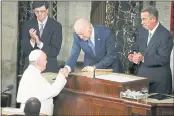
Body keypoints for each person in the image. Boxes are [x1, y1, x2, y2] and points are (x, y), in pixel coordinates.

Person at [128, 6, 173, 94]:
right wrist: (132, 55)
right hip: (142, 80)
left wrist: (142, 58)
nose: (142, 22)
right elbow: (136, 49)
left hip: (159, 82)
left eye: (144, 19)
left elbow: (164, 58)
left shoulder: (166, 35)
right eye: (141, 19)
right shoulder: (141, 31)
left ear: (153, 19)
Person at [17, 49, 68, 116]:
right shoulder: (33, 75)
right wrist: (61, 76)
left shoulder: (32, 72)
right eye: (45, 60)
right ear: (38, 62)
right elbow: (52, 91)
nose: (46, 62)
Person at [21, 1, 62, 73]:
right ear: (34, 11)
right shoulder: (27, 25)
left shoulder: (56, 26)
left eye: (42, 11)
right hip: (31, 69)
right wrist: (32, 41)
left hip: (49, 68)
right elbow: (25, 50)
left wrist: (39, 43)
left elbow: (55, 51)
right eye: (37, 11)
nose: (39, 14)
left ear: (47, 10)